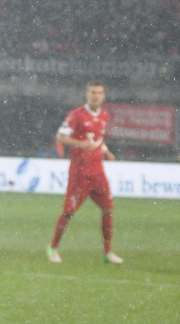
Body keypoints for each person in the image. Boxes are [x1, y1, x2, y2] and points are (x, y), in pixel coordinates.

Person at [47, 81, 123, 264]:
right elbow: (61, 136)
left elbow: (98, 139)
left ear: (103, 96)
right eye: (93, 92)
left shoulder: (104, 116)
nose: (96, 96)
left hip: (98, 172)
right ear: (87, 95)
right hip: (80, 173)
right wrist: (81, 145)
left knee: (108, 209)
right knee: (68, 212)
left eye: (99, 93)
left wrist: (105, 151)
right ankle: (53, 248)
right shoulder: (77, 115)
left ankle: (107, 252)